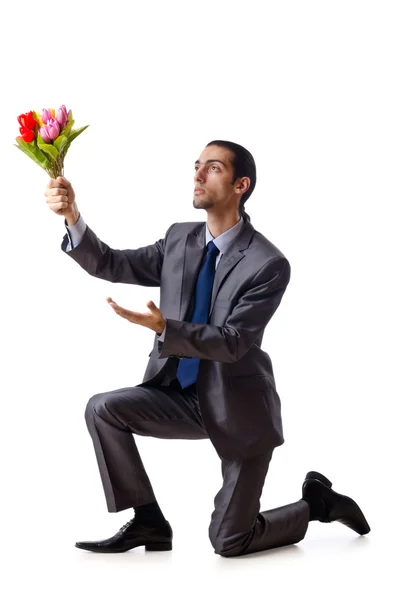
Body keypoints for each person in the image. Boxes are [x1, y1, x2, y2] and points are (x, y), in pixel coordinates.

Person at [45, 140, 370, 557]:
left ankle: (317, 505)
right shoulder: (180, 239)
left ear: (241, 185)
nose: (197, 175)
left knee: (230, 542)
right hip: (179, 397)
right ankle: (149, 522)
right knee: (102, 408)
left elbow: (235, 342)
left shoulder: (268, 263)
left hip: (239, 408)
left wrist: (167, 327)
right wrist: (72, 217)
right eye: (196, 166)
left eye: (212, 168)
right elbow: (112, 263)